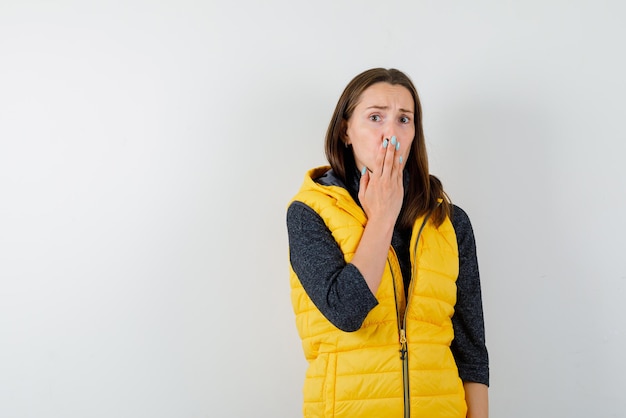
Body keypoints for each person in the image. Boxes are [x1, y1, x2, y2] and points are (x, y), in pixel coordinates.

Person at [286, 68, 489, 418]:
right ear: (345, 131)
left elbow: (471, 348)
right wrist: (382, 216)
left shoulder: (450, 222)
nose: (390, 133)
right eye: (375, 117)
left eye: (404, 119)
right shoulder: (309, 212)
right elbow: (347, 312)